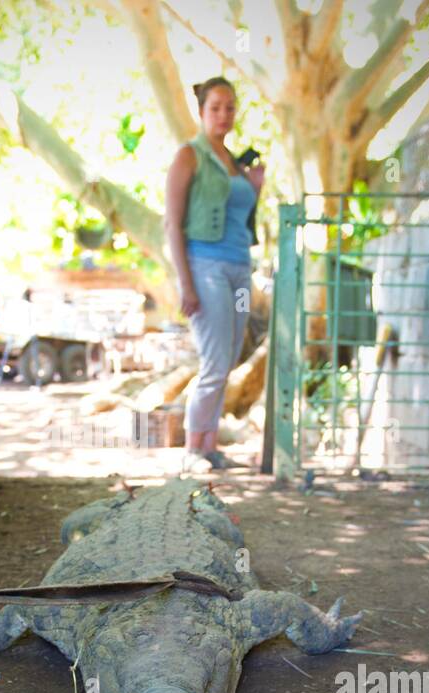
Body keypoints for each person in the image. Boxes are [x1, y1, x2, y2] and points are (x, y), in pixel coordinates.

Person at [164, 77, 265, 474]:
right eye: (216, 107)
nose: (224, 114)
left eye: (230, 107)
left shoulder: (235, 163)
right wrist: (186, 284)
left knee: (228, 359)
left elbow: (240, 217)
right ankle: (191, 449)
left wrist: (255, 188)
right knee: (214, 360)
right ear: (202, 112)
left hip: (240, 267)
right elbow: (173, 225)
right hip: (205, 267)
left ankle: (209, 446)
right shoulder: (189, 156)